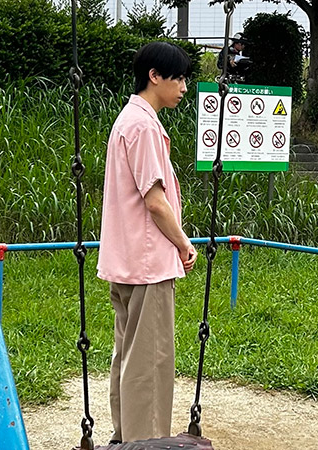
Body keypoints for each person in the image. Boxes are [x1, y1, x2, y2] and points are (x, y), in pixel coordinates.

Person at [97, 41, 198, 444]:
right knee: (150, 361)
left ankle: (127, 435)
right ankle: (147, 441)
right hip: (148, 261)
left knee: (127, 355)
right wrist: (183, 243)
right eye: (179, 79)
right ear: (155, 77)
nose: (184, 88)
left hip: (126, 260)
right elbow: (154, 201)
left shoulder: (129, 119)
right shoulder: (143, 126)